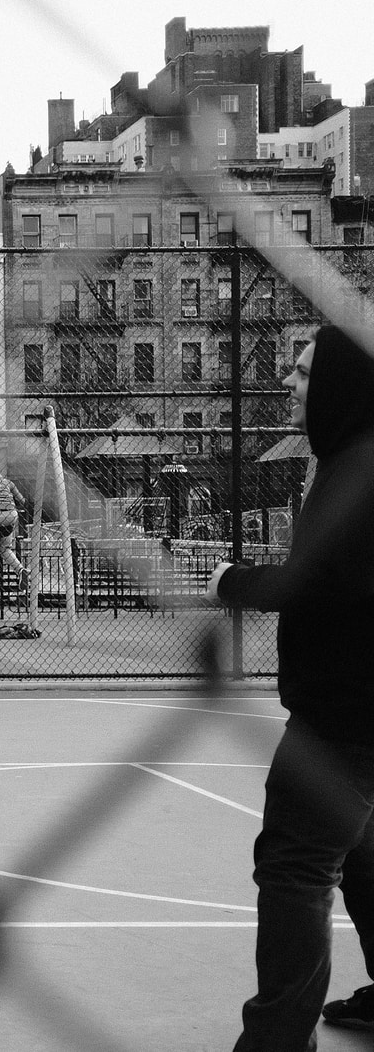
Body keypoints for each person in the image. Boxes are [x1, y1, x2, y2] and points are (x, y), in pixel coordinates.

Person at [207, 326, 374, 1051]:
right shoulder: (349, 463)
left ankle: (277, 1036)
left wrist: (230, 581)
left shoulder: (358, 472)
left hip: (344, 715)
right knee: (362, 859)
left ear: (340, 383)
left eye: (304, 372)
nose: (290, 384)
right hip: (354, 710)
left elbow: (320, 585)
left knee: (295, 866)